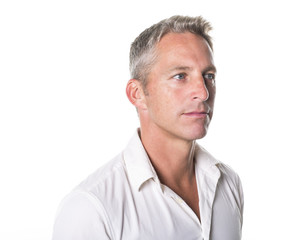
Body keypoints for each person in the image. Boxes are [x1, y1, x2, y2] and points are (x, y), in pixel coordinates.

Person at [52, 15, 244, 240]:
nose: (203, 93)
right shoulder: (91, 209)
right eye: (180, 76)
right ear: (137, 94)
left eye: (208, 76)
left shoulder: (228, 182)